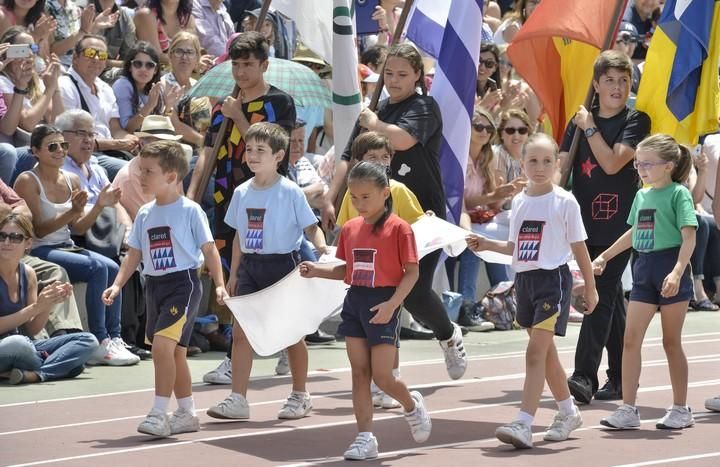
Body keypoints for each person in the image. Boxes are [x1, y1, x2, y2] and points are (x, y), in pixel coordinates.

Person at [323, 42, 468, 381]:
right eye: (389, 73)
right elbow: (349, 156)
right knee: (381, 291)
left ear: (418, 75)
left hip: (422, 217)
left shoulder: (424, 107)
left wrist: (374, 123)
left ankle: (448, 335)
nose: (395, 80)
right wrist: (331, 196)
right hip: (379, 217)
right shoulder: (376, 108)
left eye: (403, 74)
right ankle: (389, 373)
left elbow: (402, 141)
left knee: (414, 291)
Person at [466, 133, 598, 449]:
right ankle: (568, 411)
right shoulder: (520, 200)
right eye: (533, 161)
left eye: (547, 161)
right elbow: (515, 247)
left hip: (552, 281)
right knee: (546, 353)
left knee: (535, 352)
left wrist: (590, 288)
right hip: (524, 282)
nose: (539, 167)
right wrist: (486, 244)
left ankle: (524, 421)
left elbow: (580, 248)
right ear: (522, 163)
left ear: (557, 164)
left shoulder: (565, 201)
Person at [300, 161, 432, 460]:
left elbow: (411, 272)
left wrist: (391, 305)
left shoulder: (400, 229)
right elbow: (347, 270)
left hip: (384, 301)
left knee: (383, 377)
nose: (359, 204)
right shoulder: (350, 229)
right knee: (359, 375)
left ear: (385, 193)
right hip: (355, 302)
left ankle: (411, 405)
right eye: (354, 197)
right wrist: (317, 270)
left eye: (366, 197)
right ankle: (365, 437)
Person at [187, 32, 295, 386]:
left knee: (273, 280)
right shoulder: (222, 104)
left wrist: (239, 117)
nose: (241, 71)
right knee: (237, 280)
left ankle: (288, 345)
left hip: (269, 200)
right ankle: (237, 357)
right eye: (236, 64)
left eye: (248, 64)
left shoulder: (279, 102)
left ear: (264, 65)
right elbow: (206, 152)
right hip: (227, 199)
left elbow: (271, 150)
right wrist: (191, 195)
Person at [102, 140, 227, 437]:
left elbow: (209, 250)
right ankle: (186, 413)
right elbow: (134, 254)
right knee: (176, 355)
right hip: (155, 286)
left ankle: (159, 413)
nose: (141, 176)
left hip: (182, 284)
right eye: (140, 169)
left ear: (171, 176)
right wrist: (117, 284)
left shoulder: (190, 210)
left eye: (148, 171)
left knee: (162, 348)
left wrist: (220, 285)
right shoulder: (145, 213)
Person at [206, 122, 328, 421]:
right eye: (249, 149)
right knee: (241, 333)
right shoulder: (242, 192)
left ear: (279, 156)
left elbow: (311, 227)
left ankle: (300, 395)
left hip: (282, 266)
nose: (253, 155)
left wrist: (323, 249)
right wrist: (234, 274)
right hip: (250, 267)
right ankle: (238, 399)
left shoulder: (289, 191)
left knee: (292, 335)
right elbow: (238, 237)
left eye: (261, 150)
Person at [562, 50, 651, 405]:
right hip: (583, 222)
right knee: (611, 294)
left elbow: (614, 163)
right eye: (609, 80)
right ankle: (618, 375)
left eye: (624, 80)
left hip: (623, 224)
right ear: (596, 84)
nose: (617, 87)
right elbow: (563, 164)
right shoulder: (579, 119)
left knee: (598, 290)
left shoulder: (636, 120)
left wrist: (590, 127)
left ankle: (584, 374)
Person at [13, 124, 139, 366]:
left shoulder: (71, 179)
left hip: (66, 245)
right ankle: (99, 341)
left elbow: (79, 228)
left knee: (112, 267)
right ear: (35, 152)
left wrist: (100, 204)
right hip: (40, 249)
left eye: (63, 145)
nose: (60, 150)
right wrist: (72, 211)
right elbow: (38, 229)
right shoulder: (27, 180)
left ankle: (115, 337)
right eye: (52, 146)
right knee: (98, 268)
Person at [595, 134, 697, 430]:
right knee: (630, 340)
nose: (640, 169)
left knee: (670, 341)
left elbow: (689, 236)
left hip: (669, 267)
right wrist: (605, 256)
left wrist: (677, 272)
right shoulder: (642, 195)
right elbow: (633, 233)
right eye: (638, 164)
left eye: (647, 164)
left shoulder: (679, 194)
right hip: (644, 269)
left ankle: (681, 408)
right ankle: (628, 409)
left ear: (668, 165)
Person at [0, 212, 98, 384]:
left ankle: (35, 374)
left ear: (28, 243)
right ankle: (60, 367)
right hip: (12, 346)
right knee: (20, 344)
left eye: (15, 238)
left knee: (88, 340)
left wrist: (48, 303)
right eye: (2, 236)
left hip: (27, 346)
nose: (7, 242)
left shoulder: (28, 274)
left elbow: (33, 329)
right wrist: (36, 308)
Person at [449, 108, 515, 329]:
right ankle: (467, 308)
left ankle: (503, 301)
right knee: (473, 243)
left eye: (489, 128)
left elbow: (492, 206)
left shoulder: (488, 159)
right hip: (457, 220)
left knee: (490, 242)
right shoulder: (457, 158)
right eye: (478, 126)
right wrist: (493, 195)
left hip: (479, 221)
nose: (484, 132)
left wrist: (505, 193)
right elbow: (458, 203)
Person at [57, 34, 138, 181]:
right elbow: (69, 138)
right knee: (130, 172)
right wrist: (117, 144)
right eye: (90, 53)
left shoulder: (105, 88)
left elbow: (116, 129)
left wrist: (133, 140)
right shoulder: (64, 86)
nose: (96, 59)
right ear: (75, 57)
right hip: (84, 155)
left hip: (110, 151)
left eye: (101, 55)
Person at [112, 115, 186, 220]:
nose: (166, 148)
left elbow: (181, 205)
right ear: (142, 143)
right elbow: (147, 223)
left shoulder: (172, 165)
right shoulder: (129, 178)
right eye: (159, 142)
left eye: (170, 143)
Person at [112, 41, 163, 133]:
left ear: (155, 70)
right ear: (130, 67)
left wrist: (168, 108)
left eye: (149, 65)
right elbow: (126, 127)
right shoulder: (122, 85)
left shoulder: (155, 87)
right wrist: (148, 106)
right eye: (137, 64)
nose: (143, 69)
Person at [134, 0, 199, 65]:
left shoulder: (188, 19)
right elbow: (155, 56)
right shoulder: (146, 15)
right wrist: (193, 62)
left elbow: (193, 53)